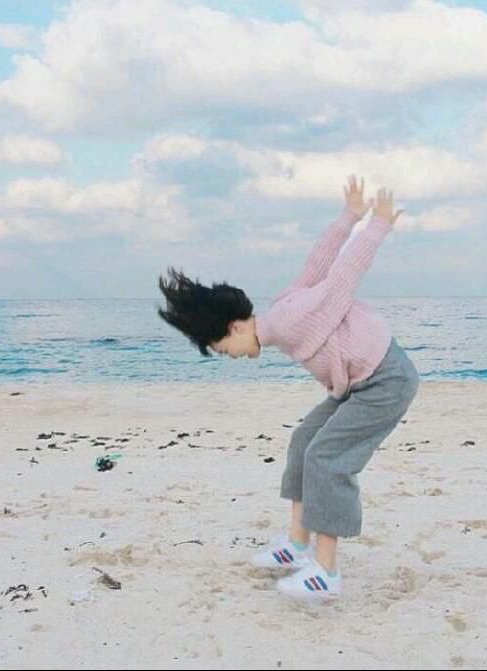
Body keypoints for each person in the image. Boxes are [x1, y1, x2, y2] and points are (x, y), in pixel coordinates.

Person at [158, 175, 420, 600]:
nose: (231, 357)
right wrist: (348, 216)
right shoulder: (283, 309)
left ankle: (326, 572)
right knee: (304, 443)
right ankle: (298, 545)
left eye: (224, 349)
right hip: (355, 384)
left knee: (326, 458)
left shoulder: (291, 319)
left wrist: (376, 226)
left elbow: (342, 278)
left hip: (385, 381)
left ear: (236, 327)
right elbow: (318, 263)